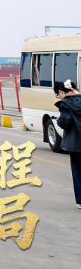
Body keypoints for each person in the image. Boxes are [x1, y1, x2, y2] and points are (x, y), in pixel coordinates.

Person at [54, 78, 81, 209]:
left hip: (76, 144)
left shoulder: (66, 104)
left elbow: (65, 122)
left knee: (78, 171)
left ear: (61, 92)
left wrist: (58, 120)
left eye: (57, 94)